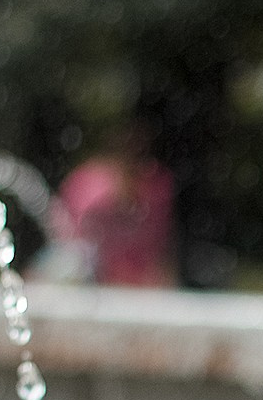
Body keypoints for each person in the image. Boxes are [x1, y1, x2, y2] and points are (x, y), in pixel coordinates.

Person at [45, 122, 176, 287]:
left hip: (134, 281)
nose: (136, 164)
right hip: (84, 274)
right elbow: (67, 246)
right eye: (130, 155)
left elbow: (161, 251)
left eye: (141, 156)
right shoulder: (87, 185)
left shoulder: (157, 188)